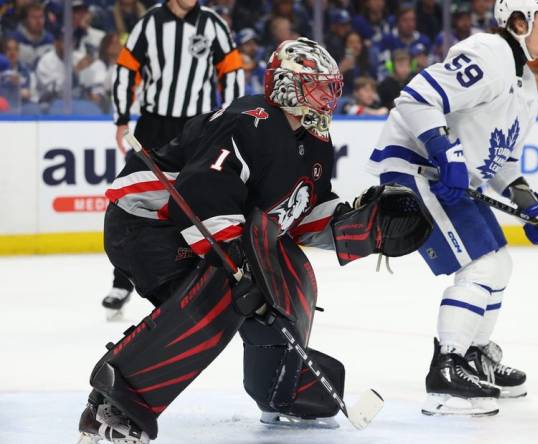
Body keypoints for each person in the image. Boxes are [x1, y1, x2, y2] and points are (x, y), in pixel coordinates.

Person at [77, 37, 430, 443]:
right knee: (224, 291)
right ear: (287, 85)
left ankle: (282, 386)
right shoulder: (250, 120)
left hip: (204, 227)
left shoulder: (315, 143)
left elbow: (293, 216)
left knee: (291, 273)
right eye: (318, 85)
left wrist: (360, 225)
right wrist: (241, 269)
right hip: (146, 222)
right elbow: (201, 191)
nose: (328, 96)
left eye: (331, 87)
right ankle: (115, 403)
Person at [367, 0, 538, 416]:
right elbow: (416, 99)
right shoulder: (488, 54)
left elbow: (503, 162)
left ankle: (475, 357)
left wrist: (533, 207)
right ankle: (446, 373)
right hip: (415, 168)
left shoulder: (527, 88)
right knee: (481, 266)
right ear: (520, 22)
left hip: (442, 176)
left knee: (499, 263)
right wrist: (445, 151)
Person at [101, 0, 245, 318]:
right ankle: (122, 281)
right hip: (154, 123)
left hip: (196, 126)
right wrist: (121, 118)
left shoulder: (213, 25)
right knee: (135, 201)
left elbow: (232, 72)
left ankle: (191, 274)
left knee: (193, 198)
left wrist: (231, 119)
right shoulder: (149, 23)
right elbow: (126, 70)